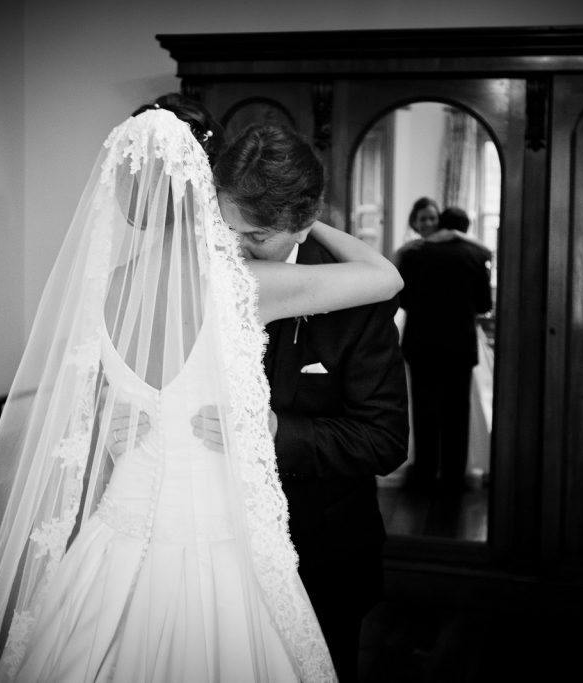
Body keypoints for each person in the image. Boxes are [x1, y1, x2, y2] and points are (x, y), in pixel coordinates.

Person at [0, 96, 402, 683]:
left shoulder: (105, 289)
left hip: (137, 535)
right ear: (208, 196)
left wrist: (127, 411)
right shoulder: (244, 286)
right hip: (217, 542)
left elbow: (87, 404)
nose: (238, 238)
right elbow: (385, 276)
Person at [205, 124, 410, 683]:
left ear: (302, 218)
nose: (235, 248)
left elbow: (385, 439)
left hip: (318, 548)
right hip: (207, 542)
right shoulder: (198, 264)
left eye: (259, 235)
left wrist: (275, 430)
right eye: (227, 226)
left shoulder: (358, 291)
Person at [395, 202, 492, 492]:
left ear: (440, 225)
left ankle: (425, 473)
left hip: (421, 343)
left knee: (424, 412)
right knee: (456, 414)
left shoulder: (415, 254)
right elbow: (484, 305)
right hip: (459, 345)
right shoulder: (476, 254)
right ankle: (453, 477)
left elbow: (405, 300)